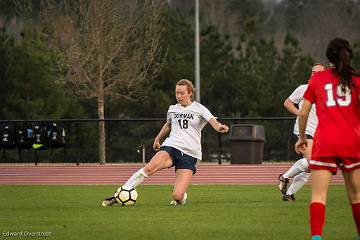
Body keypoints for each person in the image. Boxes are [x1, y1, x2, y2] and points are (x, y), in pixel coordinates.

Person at [102, 79, 229, 206]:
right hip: (171, 146)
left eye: (182, 93)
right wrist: (158, 139)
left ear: (190, 93)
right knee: (149, 168)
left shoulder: (199, 108)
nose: (179, 96)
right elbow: (168, 125)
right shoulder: (173, 109)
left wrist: (219, 127)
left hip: (190, 153)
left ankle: (180, 196)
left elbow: (213, 121)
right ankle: (119, 194)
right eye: (177, 93)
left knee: (177, 196)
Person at [295, 38, 360, 240]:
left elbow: (303, 112)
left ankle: (316, 237)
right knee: (356, 197)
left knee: (318, 196)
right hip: (352, 143)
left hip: (326, 143)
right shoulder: (356, 80)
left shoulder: (318, 79)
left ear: (328, 56)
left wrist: (302, 137)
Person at [278, 63, 326, 201]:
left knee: (311, 166)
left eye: (319, 72)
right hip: (305, 131)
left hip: (320, 133)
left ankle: (289, 194)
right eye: (313, 72)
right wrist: (300, 113)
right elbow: (287, 103)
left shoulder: (327, 92)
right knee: (313, 163)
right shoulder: (304, 89)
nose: (315, 74)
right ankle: (285, 177)